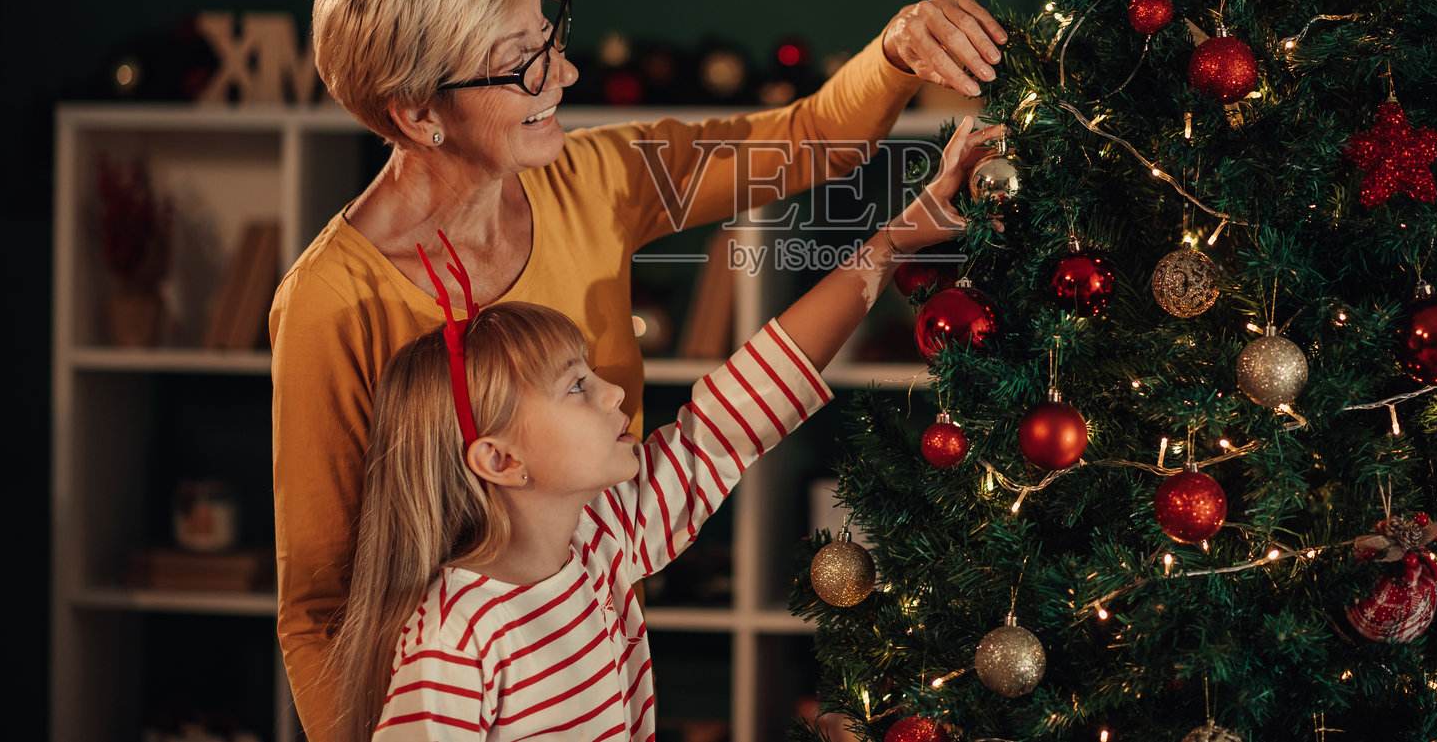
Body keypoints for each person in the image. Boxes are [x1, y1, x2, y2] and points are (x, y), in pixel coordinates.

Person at [270, 0, 1008, 740]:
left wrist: (898, 54)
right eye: (521, 63)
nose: (567, 71)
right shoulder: (331, 301)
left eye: (549, 33)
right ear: (416, 113)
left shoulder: (595, 182)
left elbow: (798, 145)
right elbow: (323, 606)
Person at [327, 117, 996, 741]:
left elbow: (742, 406)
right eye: (578, 386)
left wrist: (891, 242)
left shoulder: (601, 541)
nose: (615, 390)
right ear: (501, 458)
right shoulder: (454, 639)